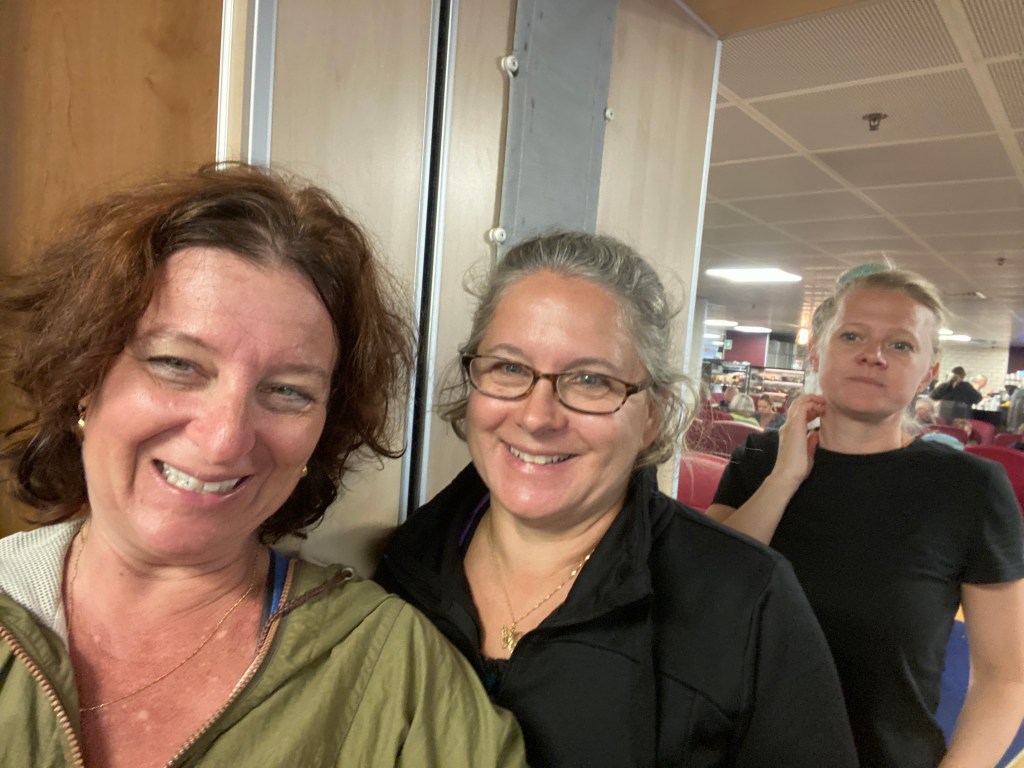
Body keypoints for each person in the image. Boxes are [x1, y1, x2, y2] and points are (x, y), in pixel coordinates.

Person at [0, 164, 527, 768]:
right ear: (82, 379)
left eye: (287, 391)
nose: (225, 439)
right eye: (177, 364)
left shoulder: (396, 674)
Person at [376, 232, 858, 767]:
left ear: (652, 415)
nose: (536, 417)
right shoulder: (401, 565)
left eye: (590, 380)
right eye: (509, 368)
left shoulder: (747, 603)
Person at [707, 267, 1024, 768]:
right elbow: (708, 592)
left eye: (900, 345)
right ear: (816, 353)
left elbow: (1005, 679)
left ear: (929, 372)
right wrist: (784, 478)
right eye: (852, 336)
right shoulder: (759, 462)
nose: (873, 354)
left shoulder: (969, 488)